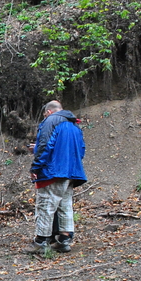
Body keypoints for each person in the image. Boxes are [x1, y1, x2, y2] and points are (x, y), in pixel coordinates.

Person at [26, 100, 86, 254]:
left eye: (45, 114)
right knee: (65, 206)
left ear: (49, 112)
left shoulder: (50, 121)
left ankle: (41, 242)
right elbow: (81, 149)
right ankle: (64, 241)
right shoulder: (74, 125)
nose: (45, 117)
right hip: (71, 172)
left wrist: (36, 167)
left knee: (46, 205)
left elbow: (46, 145)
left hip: (53, 171)